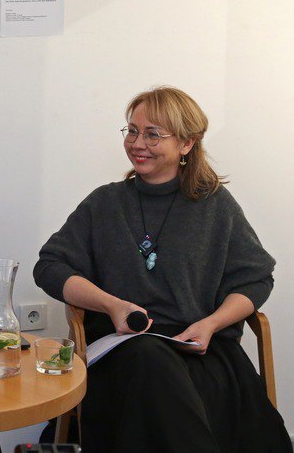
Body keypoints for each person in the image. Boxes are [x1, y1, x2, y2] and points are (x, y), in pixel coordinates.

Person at [33, 86, 291, 453]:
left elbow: (254, 278)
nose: (138, 143)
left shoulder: (215, 205)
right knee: (148, 359)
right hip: (124, 352)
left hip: (201, 351)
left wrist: (211, 324)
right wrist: (112, 306)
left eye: (153, 134)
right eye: (132, 131)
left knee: (175, 376)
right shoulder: (105, 203)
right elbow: (50, 266)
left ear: (187, 143)